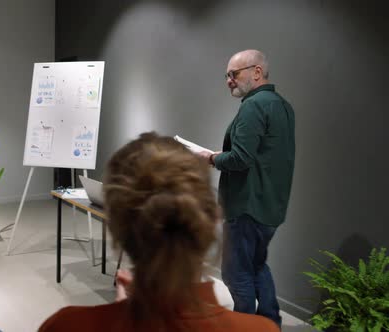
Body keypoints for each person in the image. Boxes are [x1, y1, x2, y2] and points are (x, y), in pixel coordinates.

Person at [40, 132, 279, 332]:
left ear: (115, 227)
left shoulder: (65, 325)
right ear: (211, 218)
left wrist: (124, 313)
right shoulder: (260, 330)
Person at [198, 49, 295, 327]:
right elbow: (261, 156)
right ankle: (269, 322)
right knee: (257, 265)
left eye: (234, 74)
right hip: (270, 206)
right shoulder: (282, 105)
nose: (229, 80)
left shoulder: (253, 106)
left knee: (235, 273)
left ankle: (244, 325)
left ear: (256, 72)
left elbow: (240, 159)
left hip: (246, 206)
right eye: (227, 75)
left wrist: (211, 158)